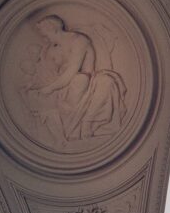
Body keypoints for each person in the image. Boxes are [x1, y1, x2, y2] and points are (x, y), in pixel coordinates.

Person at [20, 15, 127, 143]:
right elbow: (47, 73)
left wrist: (49, 88)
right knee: (71, 86)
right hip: (65, 88)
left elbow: (71, 71)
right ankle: (66, 132)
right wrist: (35, 85)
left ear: (53, 29)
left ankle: (86, 123)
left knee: (98, 81)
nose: (45, 39)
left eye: (45, 35)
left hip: (85, 82)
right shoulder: (53, 49)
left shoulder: (79, 41)